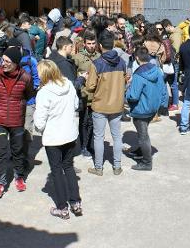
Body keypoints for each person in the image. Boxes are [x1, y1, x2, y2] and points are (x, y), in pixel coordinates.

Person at [34, 60, 82, 220]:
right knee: (68, 167)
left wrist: (40, 128)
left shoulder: (43, 93)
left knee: (56, 171)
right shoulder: (68, 84)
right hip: (69, 134)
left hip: (53, 137)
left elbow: (40, 121)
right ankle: (76, 202)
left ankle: (62, 207)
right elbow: (76, 104)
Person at [0, 46, 35, 199]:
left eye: (8, 61)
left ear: (16, 63)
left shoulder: (26, 77)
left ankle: (19, 177)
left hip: (17, 120)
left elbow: (28, 95)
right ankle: (0, 183)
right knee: (0, 153)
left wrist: (17, 105)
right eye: (3, 60)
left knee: (17, 151)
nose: (4, 63)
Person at [86, 32, 127, 176]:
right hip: (117, 105)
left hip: (100, 105)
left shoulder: (96, 64)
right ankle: (117, 166)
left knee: (99, 137)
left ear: (100, 46)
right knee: (117, 136)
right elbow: (125, 81)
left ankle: (99, 168)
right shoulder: (122, 62)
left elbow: (90, 86)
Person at [125, 47, 168, 170]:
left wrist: (127, 91)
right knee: (143, 132)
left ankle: (147, 162)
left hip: (141, 109)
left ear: (137, 58)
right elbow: (163, 89)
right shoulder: (157, 70)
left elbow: (133, 96)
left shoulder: (138, 74)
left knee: (143, 135)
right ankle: (141, 151)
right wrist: (163, 105)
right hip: (153, 108)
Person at [73, 30, 100, 158]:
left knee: (93, 122)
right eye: (88, 43)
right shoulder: (77, 58)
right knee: (83, 122)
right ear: (84, 44)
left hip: (96, 95)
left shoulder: (99, 57)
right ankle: (83, 146)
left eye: (93, 43)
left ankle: (90, 145)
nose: (91, 45)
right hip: (83, 95)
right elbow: (74, 77)